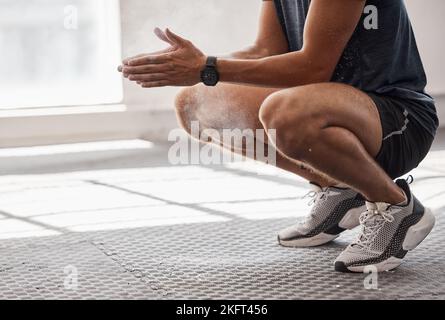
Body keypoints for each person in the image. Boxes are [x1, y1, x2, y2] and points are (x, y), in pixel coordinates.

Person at [118, 0, 439, 272]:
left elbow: (313, 69)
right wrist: (191, 68)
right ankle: (341, 188)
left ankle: (395, 206)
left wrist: (207, 68)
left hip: (399, 119)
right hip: (332, 111)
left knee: (284, 113)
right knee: (195, 103)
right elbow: (265, 49)